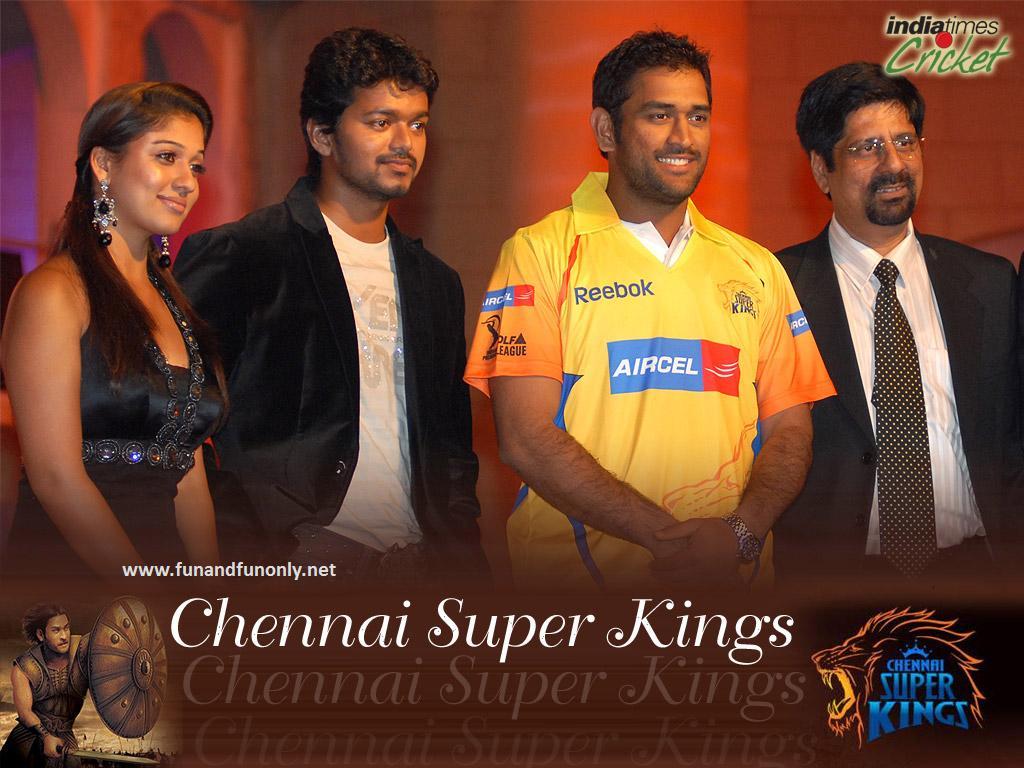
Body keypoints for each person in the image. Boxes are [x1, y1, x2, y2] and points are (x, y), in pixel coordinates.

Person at [464, 30, 835, 590]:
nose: (683, 137)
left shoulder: (756, 267)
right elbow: (523, 436)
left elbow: (790, 429)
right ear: (606, 130)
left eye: (698, 117)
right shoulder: (538, 253)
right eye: (659, 115)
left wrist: (738, 534)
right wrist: (669, 540)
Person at [175, 28, 486, 580]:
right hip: (296, 566)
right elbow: (178, 426)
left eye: (417, 124)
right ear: (321, 134)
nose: (405, 143)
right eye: (380, 122)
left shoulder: (437, 284)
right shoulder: (244, 254)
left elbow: (452, 457)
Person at [775, 62, 1023, 581]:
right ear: (821, 169)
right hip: (836, 580)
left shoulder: (990, 283)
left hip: (975, 571)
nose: (893, 164)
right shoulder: (777, 288)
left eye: (905, 142)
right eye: (867, 148)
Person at [0, 83, 224, 579]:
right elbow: (55, 477)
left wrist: (209, 592)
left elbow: (186, 471)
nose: (186, 182)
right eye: (166, 156)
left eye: (196, 166)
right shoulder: (54, 292)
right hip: (73, 579)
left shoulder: (174, 303)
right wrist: (144, 592)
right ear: (103, 163)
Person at [1, 604, 87, 768]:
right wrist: (46, 736)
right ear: (41, 635)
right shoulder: (24, 666)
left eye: (66, 628)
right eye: (56, 630)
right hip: (29, 739)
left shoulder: (81, 656)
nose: (64, 636)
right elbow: (25, 712)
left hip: (65, 736)